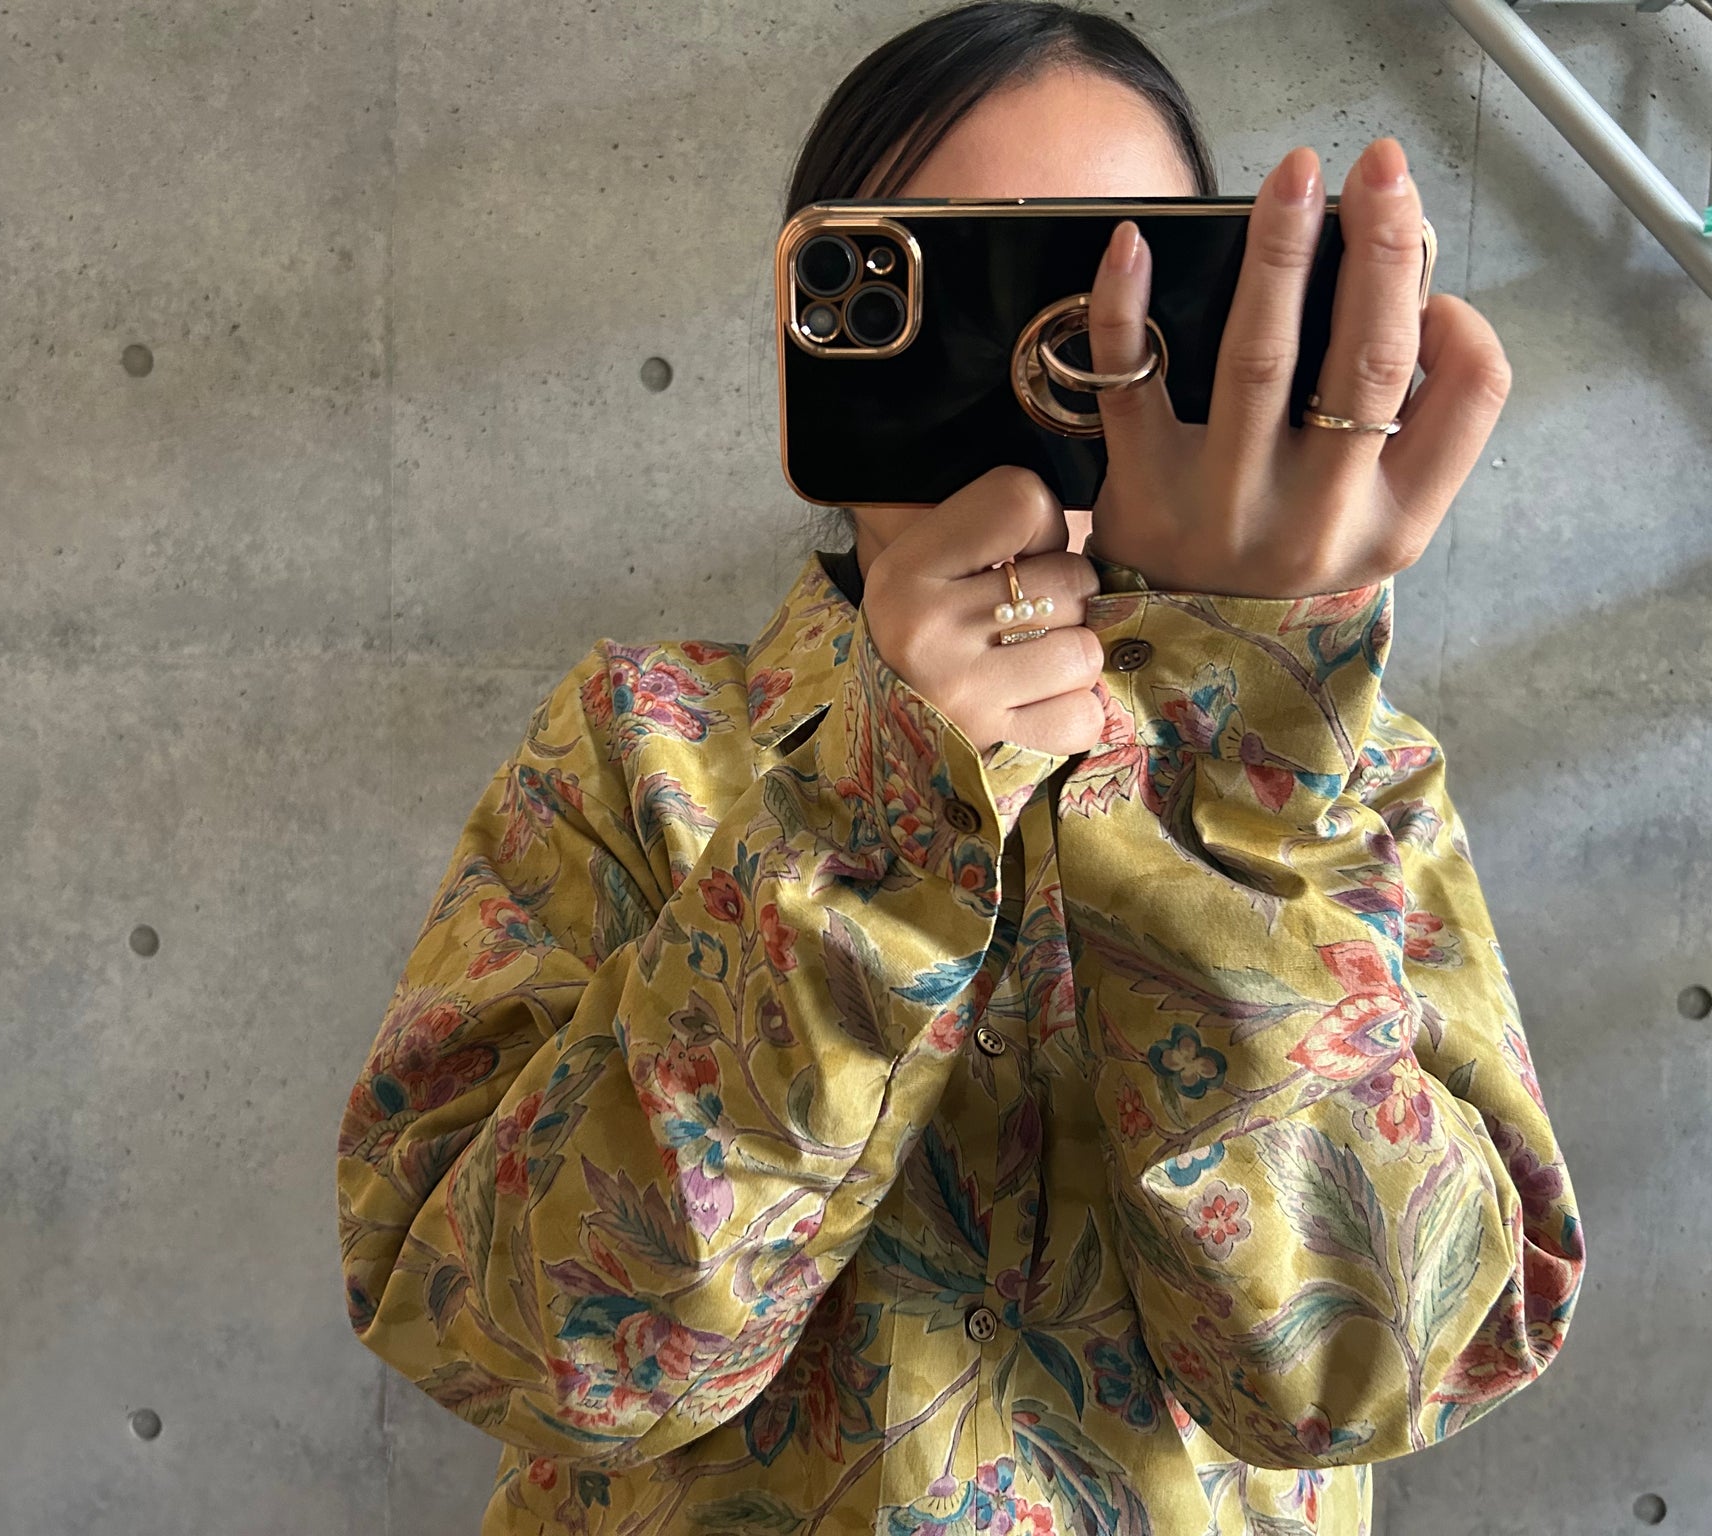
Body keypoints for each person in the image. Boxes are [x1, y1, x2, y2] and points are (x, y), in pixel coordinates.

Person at [335, 4, 1585, 1531]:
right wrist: (870, 815)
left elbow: (1381, 1373)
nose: (1049, 382)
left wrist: (1228, 766)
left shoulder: (1346, 785)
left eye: (1112, 315)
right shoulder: (639, 737)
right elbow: (499, 1341)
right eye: (974, 300)